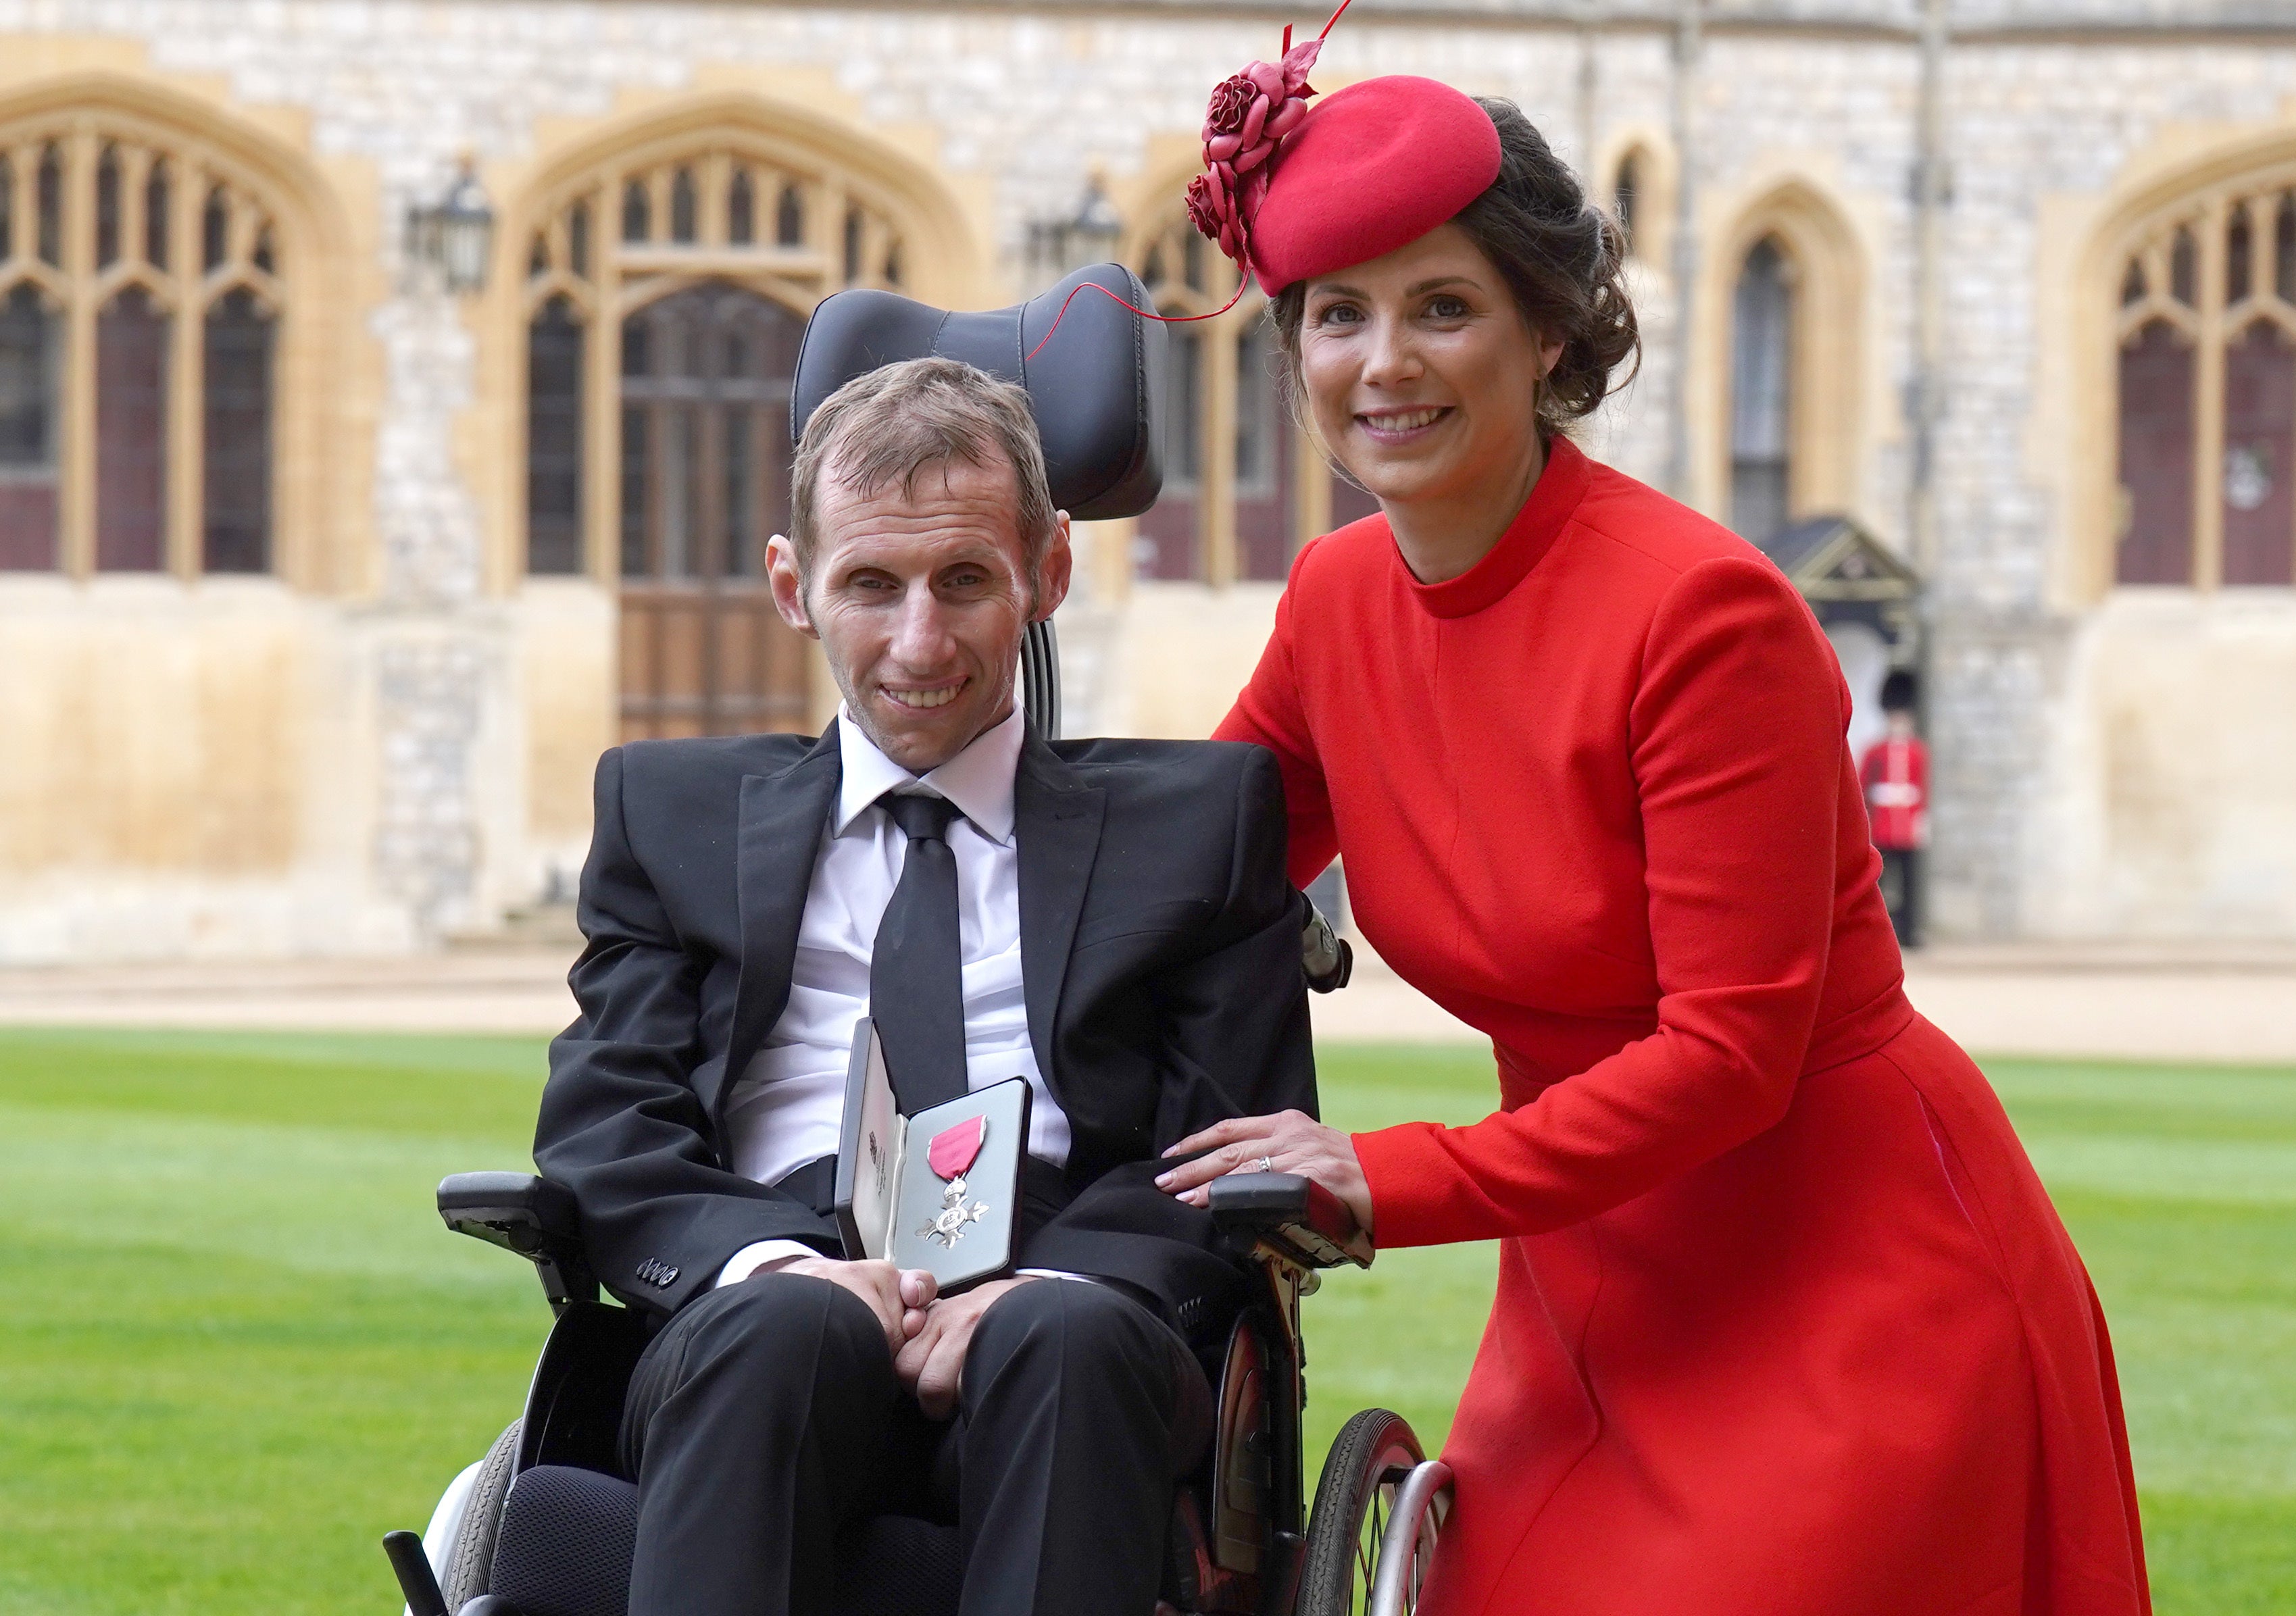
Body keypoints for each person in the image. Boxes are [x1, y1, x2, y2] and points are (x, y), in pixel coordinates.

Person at [1149, 51, 2152, 1616]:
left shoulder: (1702, 612)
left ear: (1548, 328)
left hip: (1847, 1275)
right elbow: (1184, 870)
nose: (1383, 360)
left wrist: (1383, 1174)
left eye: (1443, 304)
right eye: (1338, 311)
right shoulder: (1337, 598)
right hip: (1587, 1288)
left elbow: (1733, 1055)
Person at [535, 357, 1317, 1616]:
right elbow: (605, 1128)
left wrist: (1056, 1279)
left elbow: (1229, 1144)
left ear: (1046, 574)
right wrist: (771, 1266)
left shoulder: (1203, 826)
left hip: (1076, 1295)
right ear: (795, 586)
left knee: (1061, 1341)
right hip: (770, 1285)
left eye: (963, 580)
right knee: (778, 1335)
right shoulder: (667, 812)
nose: (919, 641)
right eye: (870, 585)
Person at [1860, 668, 1931, 946]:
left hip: (1908, 823)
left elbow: (1922, 788)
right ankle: (1880, 933)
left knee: (1910, 883)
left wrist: (1922, 821)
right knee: (1881, 882)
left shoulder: (1918, 751)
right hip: (1884, 823)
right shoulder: (1874, 751)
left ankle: (1909, 930)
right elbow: (1864, 785)